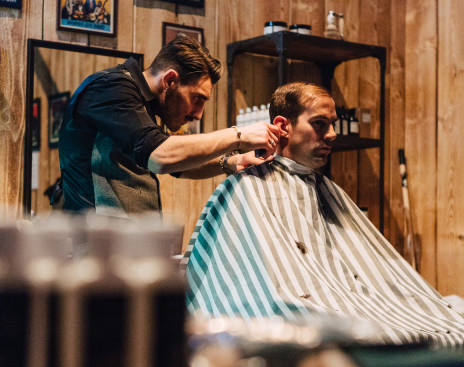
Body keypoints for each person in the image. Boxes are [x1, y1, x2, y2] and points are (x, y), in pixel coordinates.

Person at [183, 82, 464, 348]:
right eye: (319, 123)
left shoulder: (323, 188)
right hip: (302, 309)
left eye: (333, 123)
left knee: (436, 321)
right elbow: (245, 284)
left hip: (346, 301)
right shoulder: (247, 187)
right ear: (283, 126)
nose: (331, 134)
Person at [57, 36, 280, 217]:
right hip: (96, 247)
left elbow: (178, 164)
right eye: (197, 99)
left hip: (126, 246)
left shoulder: (142, 103)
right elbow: (161, 157)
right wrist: (238, 136)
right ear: (170, 80)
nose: (198, 114)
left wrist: (233, 162)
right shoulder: (111, 87)